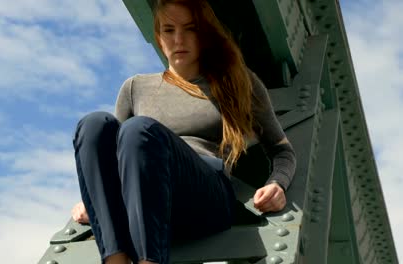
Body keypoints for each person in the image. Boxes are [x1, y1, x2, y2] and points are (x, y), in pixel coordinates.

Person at [71, 0, 296, 263]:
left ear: (204, 34)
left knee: (139, 130)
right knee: (94, 124)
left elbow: (282, 150)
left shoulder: (238, 81)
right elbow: (111, 158)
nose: (179, 39)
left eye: (190, 29)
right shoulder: (135, 87)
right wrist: (95, 200)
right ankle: (116, 260)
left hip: (205, 197)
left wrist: (277, 184)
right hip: (145, 201)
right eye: (169, 30)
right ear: (158, 37)